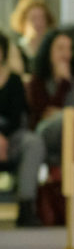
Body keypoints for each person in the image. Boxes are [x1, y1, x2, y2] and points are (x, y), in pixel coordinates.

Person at [27, 29, 74, 170]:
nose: (66, 54)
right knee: (71, 119)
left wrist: (67, 113)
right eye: (60, 48)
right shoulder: (38, 81)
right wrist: (64, 84)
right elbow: (42, 115)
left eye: (69, 49)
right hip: (48, 133)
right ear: (48, 51)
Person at [0, 33, 45, 226]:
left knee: (32, 142)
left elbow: (17, 117)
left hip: (11, 138)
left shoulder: (14, 81)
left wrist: (3, 137)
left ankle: (26, 207)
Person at [9, 0, 55, 75]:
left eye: (42, 18)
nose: (38, 23)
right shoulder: (15, 51)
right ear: (22, 21)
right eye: (33, 18)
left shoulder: (52, 50)